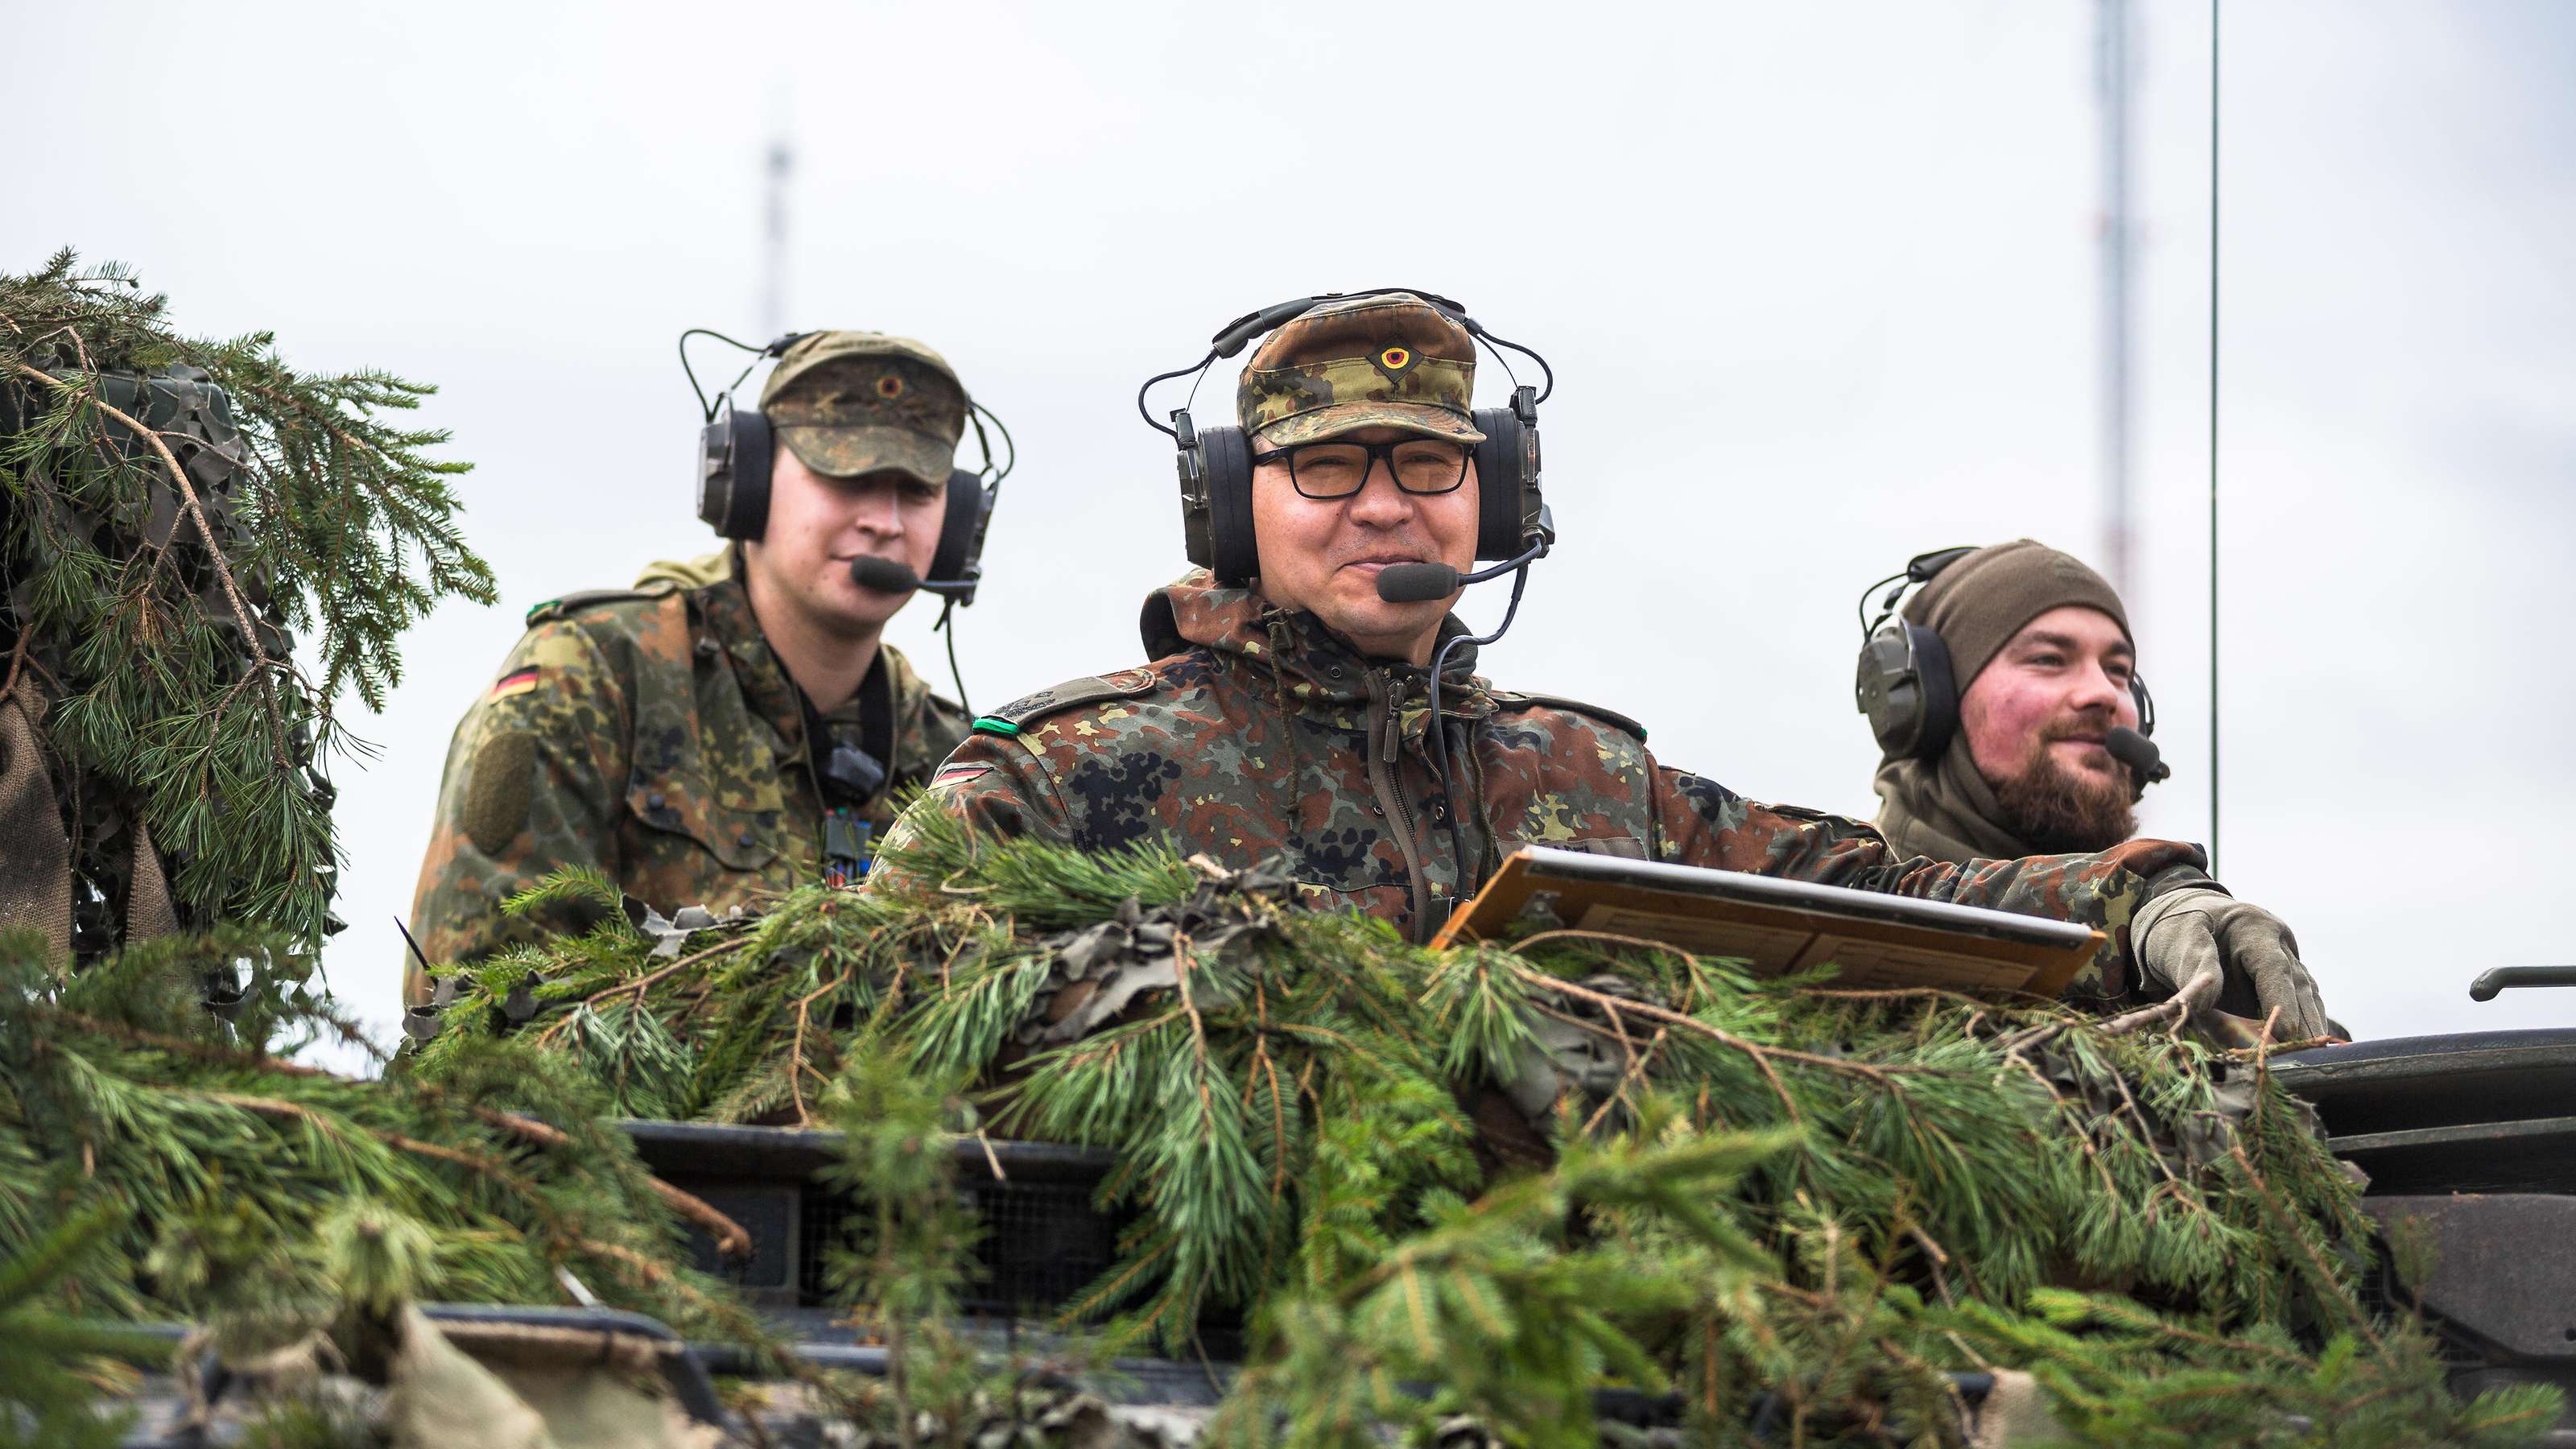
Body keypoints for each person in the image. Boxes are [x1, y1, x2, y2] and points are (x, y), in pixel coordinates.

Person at [873, 292, 2327, 1038]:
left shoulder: (1585, 780)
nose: (1386, 504)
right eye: (1324, 469)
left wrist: (2145, 900)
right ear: (1229, 508)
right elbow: (864, 1006)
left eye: (1431, 461)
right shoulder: (1060, 775)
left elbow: (1884, 895)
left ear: (1491, 497)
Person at [406, 331, 983, 1001]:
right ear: (749, 485)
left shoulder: (953, 758)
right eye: (846, 477)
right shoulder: (595, 675)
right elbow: (472, 1004)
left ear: (960, 522)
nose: (883, 522)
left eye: (915, 492)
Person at [1863, 540, 2157, 864]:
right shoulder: (1836, 898)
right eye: (2049, 659)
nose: (2102, 692)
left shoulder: (2161, 908)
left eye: (2117, 670)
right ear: (1935, 695)